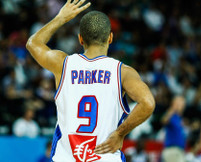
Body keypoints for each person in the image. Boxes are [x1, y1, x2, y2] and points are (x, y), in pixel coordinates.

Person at [26, 0, 155, 161]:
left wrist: (61, 18)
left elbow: (33, 43)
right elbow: (148, 103)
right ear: (110, 38)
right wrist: (120, 134)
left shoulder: (63, 64)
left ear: (80, 39)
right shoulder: (123, 72)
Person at [161, 96, 186, 162]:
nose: (182, 106)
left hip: (178, 150)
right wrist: (173, 109)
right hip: (172, 150)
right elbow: (164, 120)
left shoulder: (178, 117)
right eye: (181, 104)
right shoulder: (172, 116)